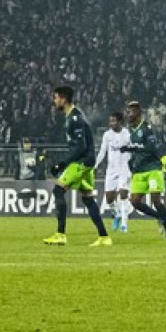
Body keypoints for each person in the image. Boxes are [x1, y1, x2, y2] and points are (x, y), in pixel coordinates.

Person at [42, 86, 111, 247]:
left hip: (82, 162)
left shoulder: (75, 118)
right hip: (87, 162)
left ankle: (60, 234)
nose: (55, 101)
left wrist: (61, 164)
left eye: (56, 97)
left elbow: (80, 147)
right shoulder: (73, 116)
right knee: (88, 199)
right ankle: (104, 237)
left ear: (64, 99)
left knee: (58, 190)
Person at [123, 100, 166, 239]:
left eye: (131, 112)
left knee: (156, 200)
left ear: (138, 113)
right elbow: (137, 151)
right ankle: (159, 217)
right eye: (127, 112)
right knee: (135, 201)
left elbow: (151, 148)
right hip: (139, 170)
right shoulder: (132, 130)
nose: (128, 115)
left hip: (152, 169)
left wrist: (132, 148)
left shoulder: (147, 128)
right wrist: (132, 161)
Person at [94, 112, 132, 231]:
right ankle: (117, 214)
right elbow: (102, 151)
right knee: (109, 198)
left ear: (120, 122)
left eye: (114, 121)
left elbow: (130, 149)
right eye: (110, 121)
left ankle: (124, 225)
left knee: (123, 194)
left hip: (124, 169)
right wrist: (95, 164)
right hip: (111, 170)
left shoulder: (127, 134)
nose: (111, 123)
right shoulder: (107, 135)